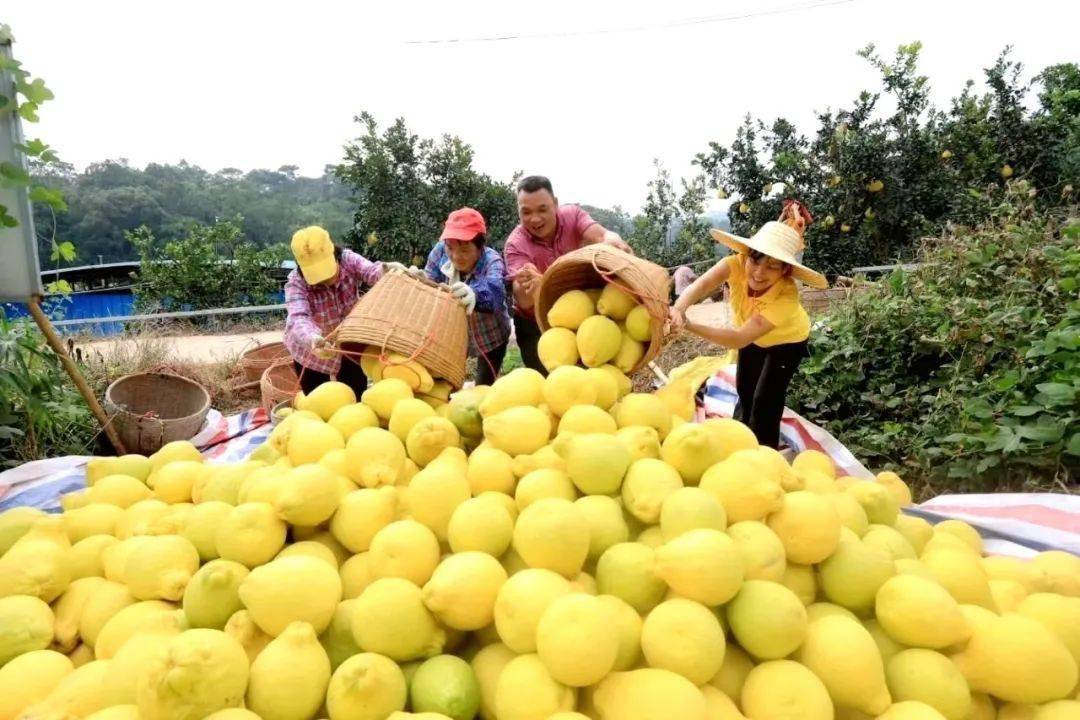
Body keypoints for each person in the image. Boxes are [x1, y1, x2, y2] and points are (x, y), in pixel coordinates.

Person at [667, 200, 826, 448]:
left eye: (773, 266)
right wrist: (678, 308)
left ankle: (764, 453)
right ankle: (739, 440)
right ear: (747, 255)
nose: (759, 273)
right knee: (745, 388)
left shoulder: (786, 297)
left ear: (785, 271)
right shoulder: (734, 264)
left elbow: (739, 338)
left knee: (766, 400)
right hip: (753, 335)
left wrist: (687, 324)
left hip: (787, 342)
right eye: (756, 261)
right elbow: (701, 285)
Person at [503, 175, 633, 373]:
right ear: (518, 212)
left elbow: (599, 234)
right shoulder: (515, 244)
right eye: (526, 212)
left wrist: (611, 239)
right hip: (534, 325)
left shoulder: (572, 215)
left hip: (581, 313)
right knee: (549, 383)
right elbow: (524, 300)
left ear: (555, 204)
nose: (535, 219)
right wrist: (530, 284)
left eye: (542, 209)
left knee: (593, 374)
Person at [284, 225, 382, 397]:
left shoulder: (349, 260)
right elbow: (298, 317)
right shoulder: (297, 282)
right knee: (317, 402)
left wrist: (390, 271)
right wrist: (313, 339)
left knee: (355, 395)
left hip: (347, 344)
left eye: (328, 271)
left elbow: (372, 272)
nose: (326, 280)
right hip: (311, 351)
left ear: (334, 254)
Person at [423, 207, 512, 386]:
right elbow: (428, 282)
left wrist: (476, 294)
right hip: (452, 333)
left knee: (483, 388)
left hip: (490, 335)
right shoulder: (440, 251)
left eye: (464, 249)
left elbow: (495, 290)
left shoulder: (491, 261)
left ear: (480, 246)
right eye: (451, 248)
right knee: (442, 383)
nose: (456, 256)